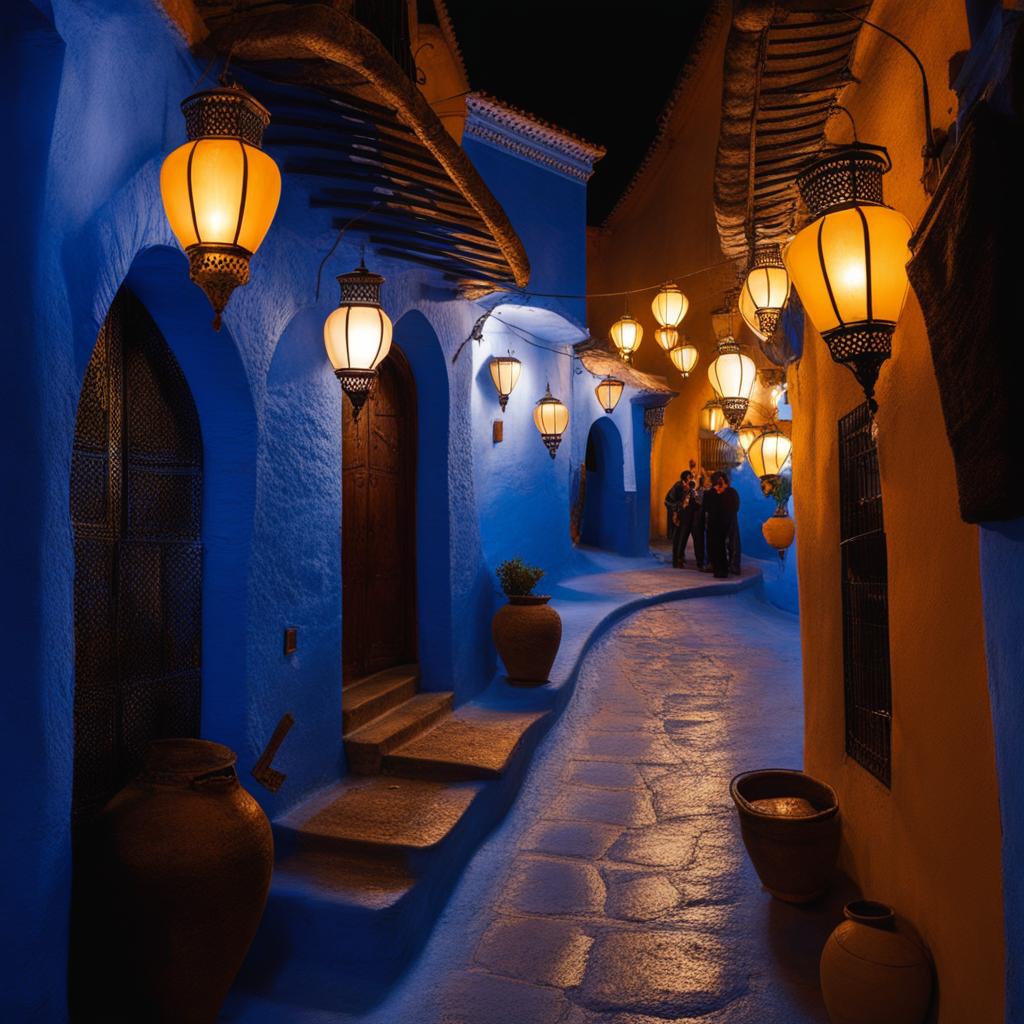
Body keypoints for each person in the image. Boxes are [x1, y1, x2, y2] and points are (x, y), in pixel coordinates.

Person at [703, 471, 733, 578]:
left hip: (722, 524)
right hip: (714, 524)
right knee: (715, 547)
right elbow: (705, 507)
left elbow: (732, 507)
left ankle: (723, 569)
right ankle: (718, 569)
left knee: (720, 547)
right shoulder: (710, 493)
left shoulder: (728, 493)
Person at [664, 470, 693, 567]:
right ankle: (676, 561)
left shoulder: (688, 488)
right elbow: (667, 500)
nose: (690, 480)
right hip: (677, 517)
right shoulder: (678, 486)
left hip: (684, 517)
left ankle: (680, 558)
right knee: (677, 539)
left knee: (682, 539)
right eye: (689, 478)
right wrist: (677, 508)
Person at [724, 474, 741, 575]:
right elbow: (736, 506)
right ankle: (733, 565)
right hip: (731, 519)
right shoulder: (733, 492)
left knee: (732, 543)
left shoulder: (730, 492)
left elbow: (735, 506)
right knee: (733, 543)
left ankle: (733, 565)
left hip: (729, 519)